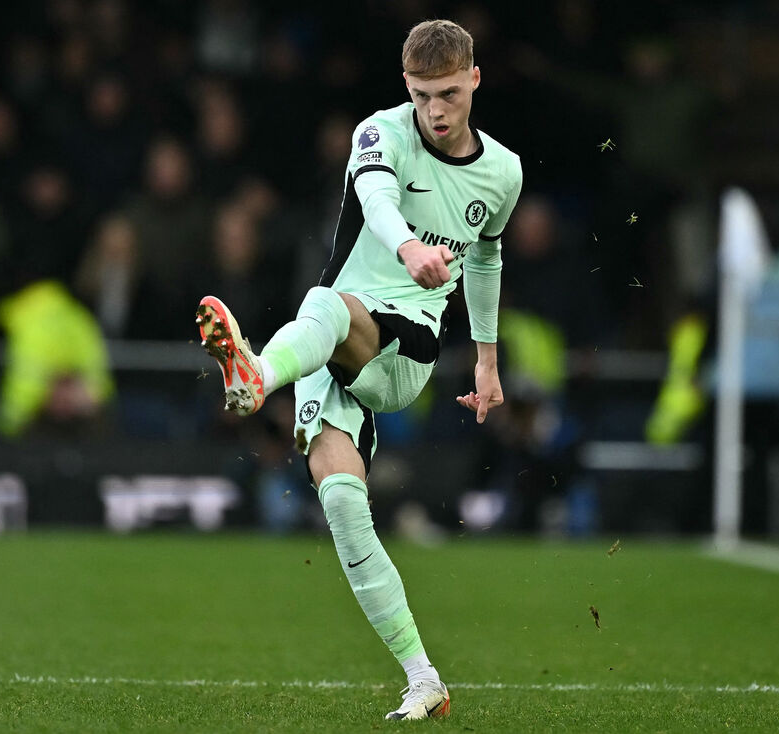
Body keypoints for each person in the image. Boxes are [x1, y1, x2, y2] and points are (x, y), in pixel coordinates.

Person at [196, 20, 522, 719]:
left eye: (447, 93)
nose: (434, 110)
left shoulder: (503, 172)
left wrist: (488, 362)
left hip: (403, 353)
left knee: (327, 304)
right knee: (343, 503)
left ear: (473, 80)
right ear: (405, 87)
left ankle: (256, 376)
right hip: (332, 342)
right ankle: (423, 676)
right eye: (420, 94)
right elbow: (374, 199)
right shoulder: (380, 132)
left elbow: (488, 260)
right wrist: (407, 247)